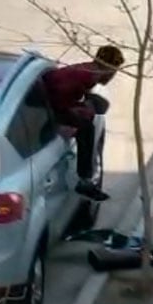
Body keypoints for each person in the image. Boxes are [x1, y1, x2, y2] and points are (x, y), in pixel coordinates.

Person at [43, 45, 125, 201]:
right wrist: (71, 115)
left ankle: (85, 178)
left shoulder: (87, 71)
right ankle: (85, 181)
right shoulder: (88, 76)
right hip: (47, 104)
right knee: (87, 129)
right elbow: (58, 96)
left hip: (54, 101)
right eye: (115, 71)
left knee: (87, 120)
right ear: (109, 68)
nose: (113, 76)